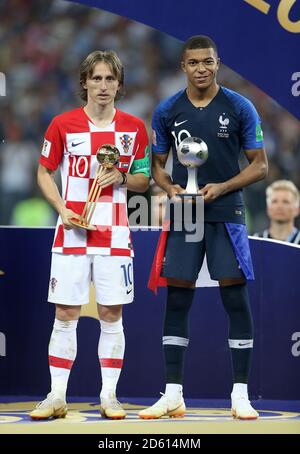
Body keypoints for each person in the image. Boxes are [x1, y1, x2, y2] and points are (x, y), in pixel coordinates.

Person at [139, 35, 268, 420]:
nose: (201, 68)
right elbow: (156, 167)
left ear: (218, 63)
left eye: (207, 62)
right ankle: (173, 393)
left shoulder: (239, 106)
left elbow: (260, 166)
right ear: (183, 66)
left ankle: (240, 394)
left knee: (234, 297)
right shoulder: (167, 110)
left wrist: (224, 186)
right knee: (178, 298)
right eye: (193, 62)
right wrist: (171, 189)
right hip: (186, 214)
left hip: (227, 210)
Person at [30, 50, 150, 420]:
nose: (103, 86)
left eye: (109, 79)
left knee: (110, 314)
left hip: (115, 233)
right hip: (72, 232)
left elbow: (144, 181)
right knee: (65, 313)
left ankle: (109, 396)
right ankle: (56, 396)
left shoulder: (134, 128)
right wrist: (62, 209)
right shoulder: (63, 124)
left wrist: (123, 178)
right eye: (96, 78)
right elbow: (43, 172)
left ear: (119, 84)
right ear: (84, 82)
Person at [254, 180, 300, 244]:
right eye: (274, 201)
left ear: (297, 209)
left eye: (285, 202)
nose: (279, 206)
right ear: (268, 208)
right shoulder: (256, 240)